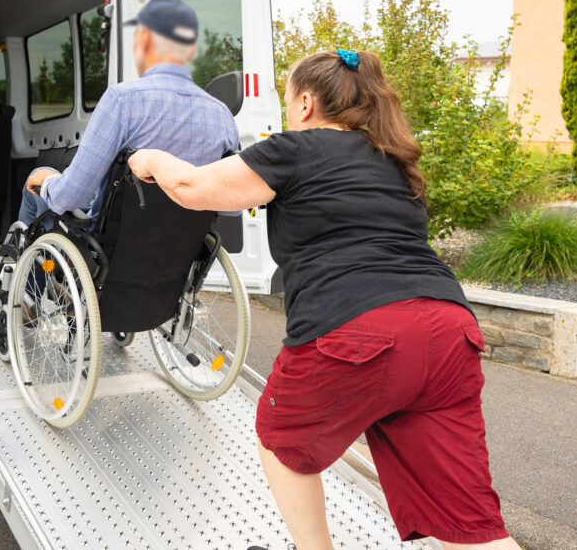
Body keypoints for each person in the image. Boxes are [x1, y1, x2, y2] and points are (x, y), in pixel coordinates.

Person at [128, 49, 519, 550]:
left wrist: (148, 158)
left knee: (282, 439)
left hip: (356, 327)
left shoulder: (294, 148)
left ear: (307, 102)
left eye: (288, 97)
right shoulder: (395, 164)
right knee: (469, 523)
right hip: (448, 330)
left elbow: (190, 186)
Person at [17, 0, 238, 230]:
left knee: (38, 182)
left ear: (142, 42)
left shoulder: (121, 100)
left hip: (108, 254)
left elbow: (72, 197)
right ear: (191, 48)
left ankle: (21, 264)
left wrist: (48, 180)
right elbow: (231, 206)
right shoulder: (222, 115)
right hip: (179, 256)